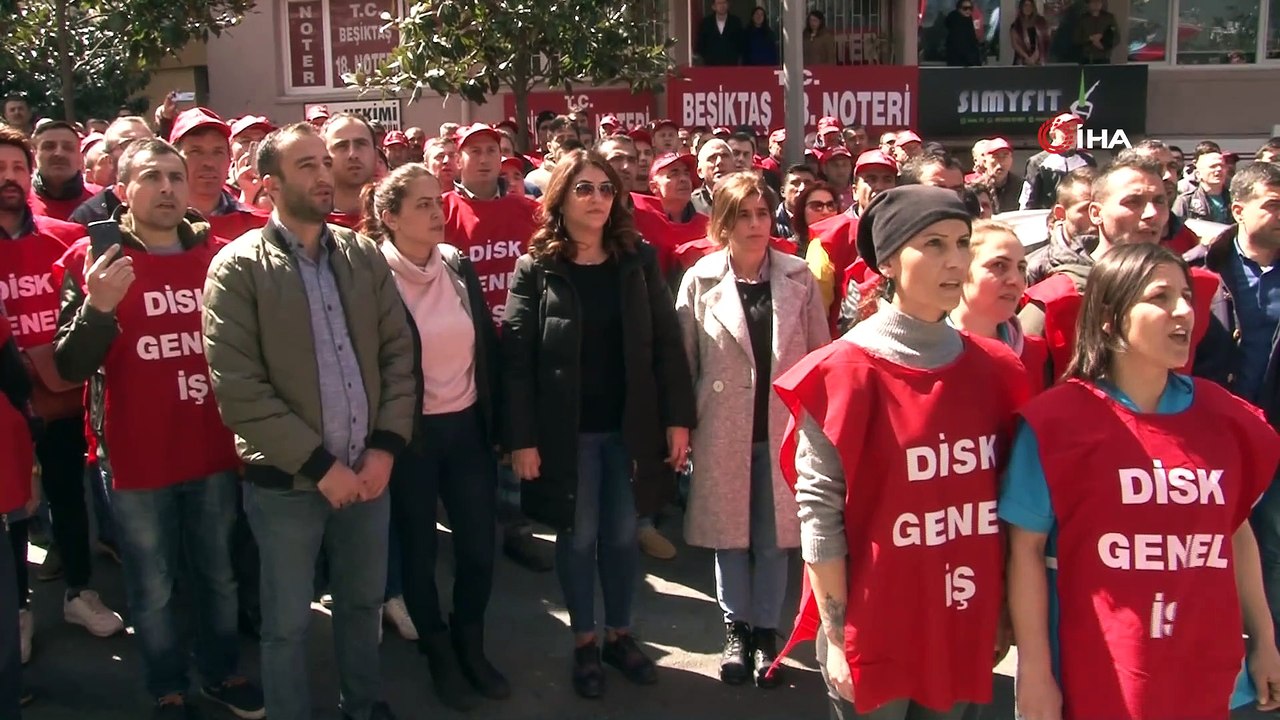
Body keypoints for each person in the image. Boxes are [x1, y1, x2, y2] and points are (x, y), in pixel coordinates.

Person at [771, 185, 1029, 719]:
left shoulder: (997, 370)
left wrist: (1003, 608)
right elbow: (820, 517)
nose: (954, 260)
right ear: (887, 261)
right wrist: (840, 638)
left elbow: (1005, 505)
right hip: (876, 628)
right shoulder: (839, 373)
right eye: (933, 244)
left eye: (961, 243)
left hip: (963, 616)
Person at [1002, 243, 1280, 720]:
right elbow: (1025, 553)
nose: (1184, 312)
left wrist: (1265, 641)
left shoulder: (1229, 418)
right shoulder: (1057, 422)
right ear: (1110, 318)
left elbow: (1235, 534)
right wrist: (1034, 671)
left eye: (1186, 297)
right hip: (1097, 673)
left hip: (1208, 672)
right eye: (1160, 297)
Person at [203, 122, 415, 720]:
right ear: (269, 185)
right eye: (307, 166)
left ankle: (363, 704)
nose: (325, 175)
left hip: (368, 474)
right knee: (287, 624)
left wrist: (385, 449)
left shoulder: (361, 254)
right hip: (289, 487)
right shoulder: (236, 268)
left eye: (326, 162)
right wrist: (321, 468)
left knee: (361, 603)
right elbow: (240, 392)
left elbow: (399, 354)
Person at [52, 138, 265, 720]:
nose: (169, 187)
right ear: (122, 192)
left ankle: (222, 671)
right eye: (153, 176)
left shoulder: (220, 258)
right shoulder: (90, 263)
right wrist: (98, 307)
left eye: (176, 176)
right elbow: (69, 367)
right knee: (153, 587)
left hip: (214, 450)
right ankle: (166, 686)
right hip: (136, 458)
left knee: (218, 576)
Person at [501, 149, 695, 699]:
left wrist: (678, 422)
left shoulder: (637, 260)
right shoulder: (535, 268)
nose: (597, 199)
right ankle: (584, 641)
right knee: (578, 536)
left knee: (619, 535)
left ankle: (620, 635)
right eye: (583, 189)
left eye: (606, 189)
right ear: (559, 198)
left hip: (629, 429)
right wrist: (521, 439)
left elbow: (666, 350)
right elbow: (515, 361)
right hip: (568, 434)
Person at [360, 164, 507, 711]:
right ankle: (439, 654)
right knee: (419, 554)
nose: (435, 211)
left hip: (466, 429)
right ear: (389, 216)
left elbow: (485, 349)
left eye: (437, 200)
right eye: (420, 204)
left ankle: (472, 643)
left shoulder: (457, 265)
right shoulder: (373, 277)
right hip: (411, 437)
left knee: (477, 549)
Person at [676, 172, 828, 688]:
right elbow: (685, 363)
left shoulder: (799, 276)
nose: (756, 224)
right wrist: (682, 428)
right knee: (730, 537)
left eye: (762, 213)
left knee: (775, 537)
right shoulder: (699, 279)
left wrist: (818, 428)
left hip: (784, 427)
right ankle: (735, 630)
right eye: (743, 214)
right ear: (723, 222)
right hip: (722, 427)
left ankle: (768, 631)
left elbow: (818, 360)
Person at [0, 126, 124, 641]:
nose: (8, 179)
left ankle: (79, 591)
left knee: (67, 495)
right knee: (10, 512)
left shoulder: (65, 236)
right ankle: (18, 611)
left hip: (59, 396)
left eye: (15, 169)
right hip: (4, 402)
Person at [440, 123, 552, 572]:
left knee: (516, 435)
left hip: (519, 343)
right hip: (464, 347)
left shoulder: (528, 210)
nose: (484, 158)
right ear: (458, 159)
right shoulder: (444, 211)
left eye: (492, 150)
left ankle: (517, 527)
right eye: (475, 151)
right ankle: (474, 524)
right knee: (476, 441)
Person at [1185, 161, 1280, 645]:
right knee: (1209, 549)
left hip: (1276, 441)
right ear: (1238, 210)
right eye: (1274, 204)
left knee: (1273, 552)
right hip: (1212, 439)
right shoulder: (1199, 269)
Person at [950, 220, 1051, 393]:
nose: (1016, 280)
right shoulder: (927, 353)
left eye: (1021, 268)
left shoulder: (1036, 354)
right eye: (999, 265)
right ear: (961, 270)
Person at [28, 120, 100, 221]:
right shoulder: (17, 203)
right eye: (49, 147)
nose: (59, 153)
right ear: (33, 156)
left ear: (80, 158)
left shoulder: (103, 201)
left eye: (68, 147)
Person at [321, 113, 378, 228]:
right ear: (324, 158)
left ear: (376, 155)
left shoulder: (398, 217)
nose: (353, 154)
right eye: (342, 146)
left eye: (361, 144)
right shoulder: (307, 223)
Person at [792, 182, 841, 257]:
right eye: (817, 206)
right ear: (802, 211)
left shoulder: (848, 245)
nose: (826, 211)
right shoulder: (790, 249)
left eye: (830, 206)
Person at [696, 0, 745, 66]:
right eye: (719, 3)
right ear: (713, 6)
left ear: (728, 5)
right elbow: (701, 44)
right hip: (711, 65)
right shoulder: (706, 23)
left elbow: (741, 43)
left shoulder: (736, 22)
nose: (722, 5)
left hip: (731, 64)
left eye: (724, 3)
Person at [1073, 0, 1117, 64]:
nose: (1096, 4)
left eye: (1099, 2)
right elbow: (1076, 38)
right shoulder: (1082, 19)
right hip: (1087, 58)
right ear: (1088, 4)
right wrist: (1090, 38)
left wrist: (1103, 43)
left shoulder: (1109, 18)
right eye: (1093, 2)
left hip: (1104, 57)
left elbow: (1116, 36)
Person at [944, 0, 984, 67]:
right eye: (965, 8)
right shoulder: (955, 23)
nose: (968, 11)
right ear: (959, 9)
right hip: (958, 66)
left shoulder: (968, 22)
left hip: (969, 66)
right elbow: (960, 45)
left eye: (970, 8)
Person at [1011, 0, 1049, 65]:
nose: (1028, 8)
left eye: (1030, 6)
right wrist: (1027, 57)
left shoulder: (1041, 22)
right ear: (1021, 7)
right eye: (1025, 5)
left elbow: (1044, 41)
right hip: (1021, 60)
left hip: (1038, 60)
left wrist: (1034, 58)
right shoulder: (1016, 25)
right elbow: (1015, 44)